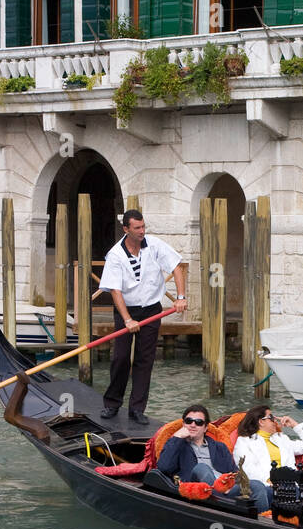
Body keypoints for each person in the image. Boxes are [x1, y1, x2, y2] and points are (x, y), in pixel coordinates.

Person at [97, 209, 188, 426]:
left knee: (144, 360)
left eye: (143, 227)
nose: (142, 231)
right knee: (120, 357)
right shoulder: (115, 255)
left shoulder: (154, 245)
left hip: (151, 309)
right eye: (137, 228)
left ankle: (137, 409)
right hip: (125, 310)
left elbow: (176, 267)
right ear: (126, 229)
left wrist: (181, 297)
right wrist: (128, 319)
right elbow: (115, 291)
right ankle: (112, 403)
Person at [157, 404, 269, 511]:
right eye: (188, 421)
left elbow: (234, 473)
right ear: (184, 424)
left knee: (257, 485)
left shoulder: (220, 447)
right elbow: (164, 467)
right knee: (202, 468)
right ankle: (219, 501)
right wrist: (177, 437)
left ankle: (263, 522)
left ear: (205, 428)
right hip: (197, 489)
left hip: (225, 491)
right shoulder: (177, 445)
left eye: (198, 422)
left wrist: (230, 485)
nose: (193, 425)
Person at [232, 404, 303, 500]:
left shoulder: (282, 439)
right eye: (271, 417)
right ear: (261, 422)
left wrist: (295, 425)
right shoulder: (244, 442)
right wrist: (269, 481)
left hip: (291, 486)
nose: (275, 420)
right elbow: (247, 469)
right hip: (266, 487)